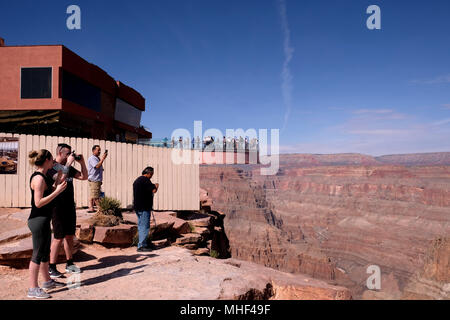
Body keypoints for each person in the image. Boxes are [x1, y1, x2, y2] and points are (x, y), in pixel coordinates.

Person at [27, 149, 67, 298]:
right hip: (38, 220)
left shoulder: (43, 176)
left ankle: (47, 282)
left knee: (44, 254)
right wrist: (57, 192)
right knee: (37, 254)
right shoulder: (38, 179)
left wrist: (60, 177)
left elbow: (50, 189)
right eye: (52, 160)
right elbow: (38, 203)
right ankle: (32, 289)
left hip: (43, 219)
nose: (53, 162)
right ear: (46, 160)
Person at [47, 143, 88, 278]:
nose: (70, 156)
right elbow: (58, 182)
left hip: (69, 206)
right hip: (57, 206)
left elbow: (84, 177)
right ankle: (51, 267)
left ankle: (69, 263)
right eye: (67, 153)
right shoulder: (51, 166)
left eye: (71, 153)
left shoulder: (67, 167)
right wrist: (68, 165)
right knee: (58, 237)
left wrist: (81, 162)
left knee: (69, 236)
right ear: (60, 153)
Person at [133, 167, 159, 252]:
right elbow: (154, 190)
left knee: (141, 226)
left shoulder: (137, 180)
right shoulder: (146, 180)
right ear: (149, 173)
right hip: (144, 207)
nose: (151, 176)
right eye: (151, 174)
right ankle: (141, 245)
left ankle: (143, 243)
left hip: (138, 207)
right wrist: (156, 186)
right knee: (145, 226)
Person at [87, 145, 107, 213]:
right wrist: (103, 159)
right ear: (93, 150)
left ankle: (91, 208)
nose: (99, 151)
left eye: (100, 150)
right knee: (96, 196)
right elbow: (97, 166)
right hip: (94, 179)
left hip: (96, 179)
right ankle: (100, 209)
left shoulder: (97, 158)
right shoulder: (92, 158)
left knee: (93, 194)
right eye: (98, 150)